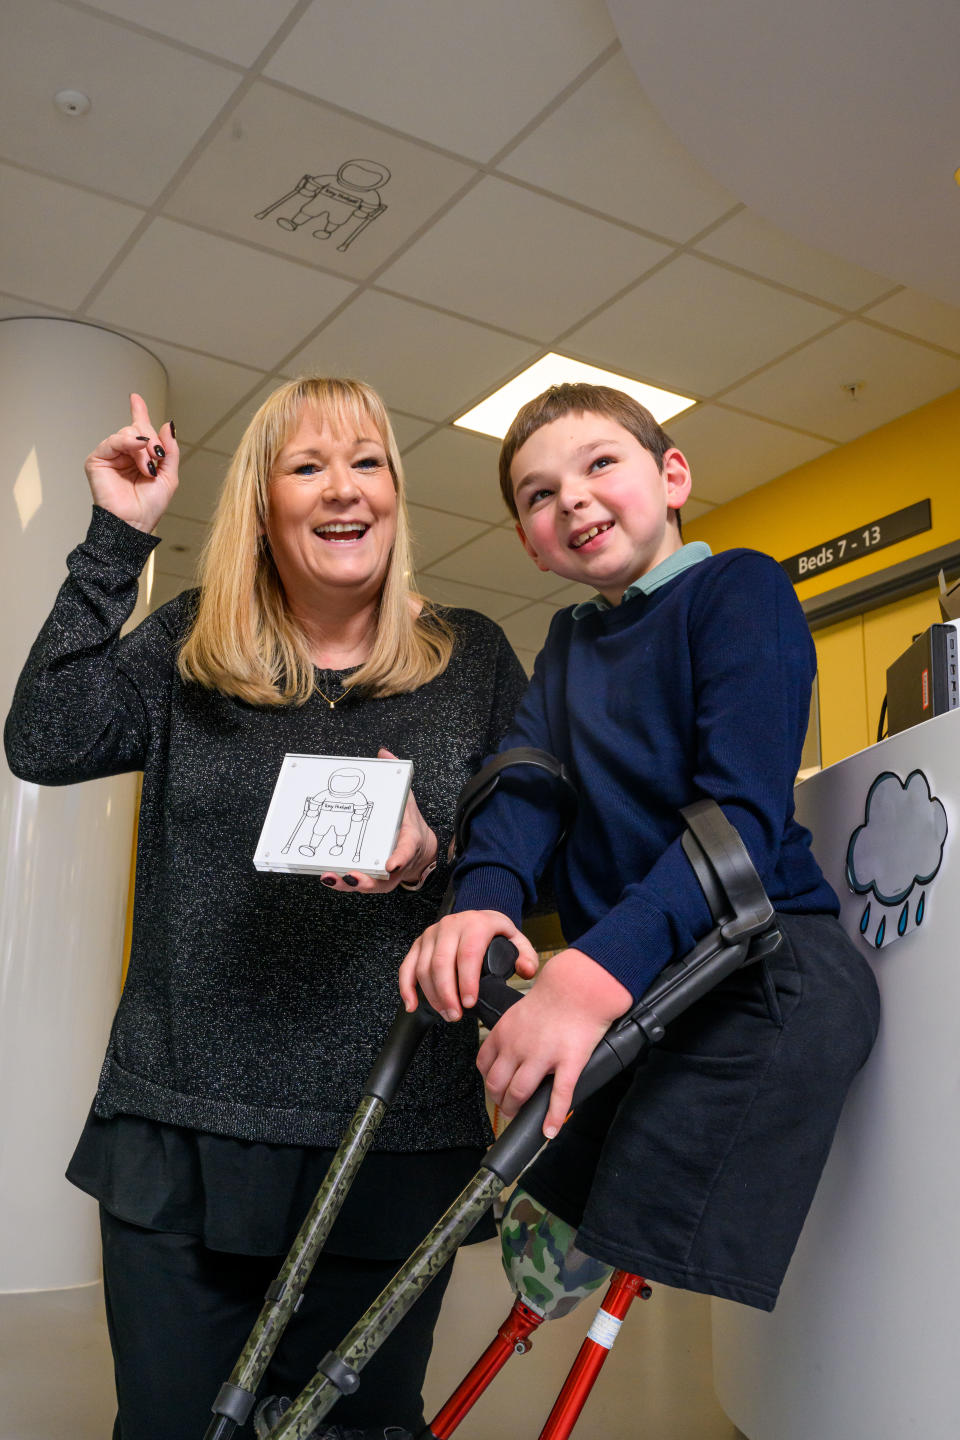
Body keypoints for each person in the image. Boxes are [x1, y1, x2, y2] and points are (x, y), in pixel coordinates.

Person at [4, 377, 528, 1439]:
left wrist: (438, 855)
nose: (346, 490)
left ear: (396, 493)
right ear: (263, 503)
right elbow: (45, 739)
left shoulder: (472, 659)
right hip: (183, 1130)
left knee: (354, 1429)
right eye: (309, 465)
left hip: (387, 1134)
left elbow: (526, 870)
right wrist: (118, 538)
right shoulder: (192, 647)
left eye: (368, 462)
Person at [400, 382, 880, 1318]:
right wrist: (479, 899)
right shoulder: (567, 648)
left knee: (639, 1210)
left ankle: (605, 1225)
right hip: (640, 977)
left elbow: (738, 813)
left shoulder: (738, 588)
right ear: (530, 543)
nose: (571, 499)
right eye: (538, 495)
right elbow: (525, 788)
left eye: (599, 465)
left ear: (672, 476)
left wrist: (590, 975)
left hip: (758, 964)